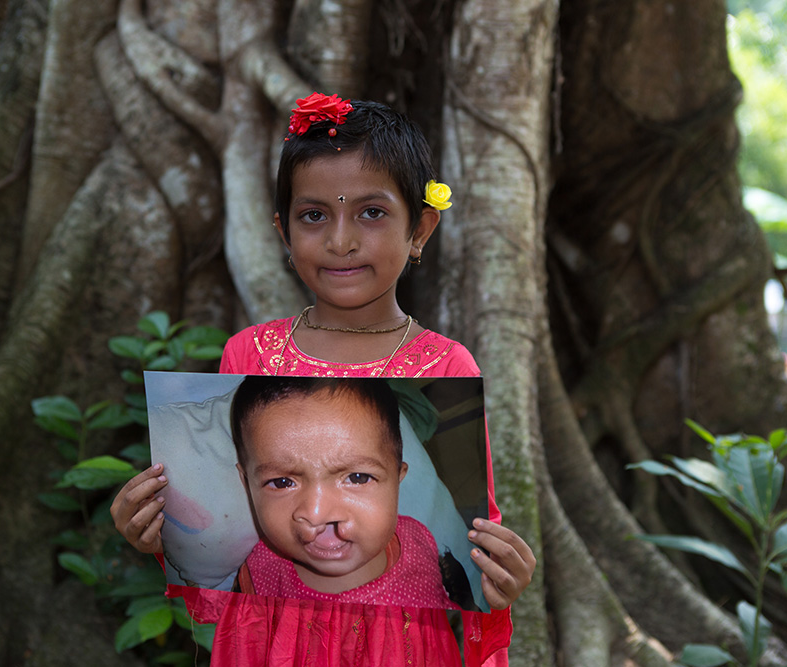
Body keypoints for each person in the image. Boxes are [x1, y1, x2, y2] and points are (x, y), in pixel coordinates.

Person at [111, 92, 536, 665]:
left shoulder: (445, 367)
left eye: (371, 212)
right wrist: (164, 540)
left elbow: (469, 550)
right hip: (268, 645)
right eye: (315, 216)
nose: (341, 240)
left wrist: (499, 580)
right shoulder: (249, 353)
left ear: (421, 229)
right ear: (284, 233)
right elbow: (229, 542)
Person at [229, 376, 456, 609]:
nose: (317, 514)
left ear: (398, 477)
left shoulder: (415, 536)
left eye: (358, 478)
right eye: (282, 482)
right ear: (247, 483)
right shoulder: (260, 573)